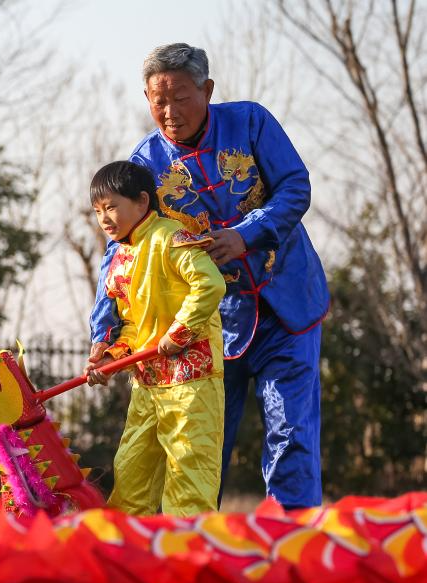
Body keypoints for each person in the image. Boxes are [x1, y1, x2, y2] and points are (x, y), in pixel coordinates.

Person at [89, 44, 329, 509]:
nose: (170, 112)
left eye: (181, 97)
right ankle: (198, 546)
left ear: (207, 90)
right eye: (158, 101)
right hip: (208, 324)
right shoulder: (145, 164)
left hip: (288, 300)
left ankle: (294, 539)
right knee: (202, 444)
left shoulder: (251, 122)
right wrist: (104, 332)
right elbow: (120, 250)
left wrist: (246, 234)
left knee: (291, 431)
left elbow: (295, 185)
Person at [85, 160, 225, 516]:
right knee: (131, 476)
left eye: (111, 207)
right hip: (146, 383)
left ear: (142, 201)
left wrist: (179, 333)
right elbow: (132, 324)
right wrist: (111, 358)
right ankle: (126, 549)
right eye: (98, 211)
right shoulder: (120, 257)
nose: (104, 219)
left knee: (189, 480)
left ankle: (188, 550)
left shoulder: (172, 237)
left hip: (191, 382)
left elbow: (210, 284)